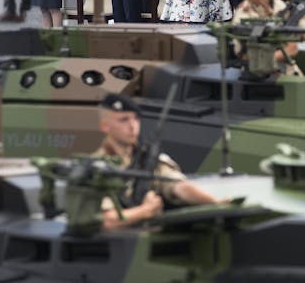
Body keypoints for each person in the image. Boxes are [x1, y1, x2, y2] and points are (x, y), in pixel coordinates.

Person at [94, 93, 225, 229]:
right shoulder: (96, 168)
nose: (133, 126)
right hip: (116, 244)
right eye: (123, 120)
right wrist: (146, 210)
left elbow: (179, 187)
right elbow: (106, 221)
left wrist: (218, 204)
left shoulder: (149, 160)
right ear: (105, 126)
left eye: (135, 119)